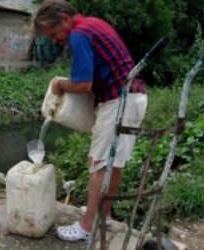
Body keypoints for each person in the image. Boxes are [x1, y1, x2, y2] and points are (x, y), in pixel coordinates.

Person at [33, 0, 147, 241]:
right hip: (133, 97)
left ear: (64, 18)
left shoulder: (78, 34)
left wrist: (59, 84)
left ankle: (86, 227)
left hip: (119, 101)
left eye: (53, 34)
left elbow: (83, 84)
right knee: (112, 163)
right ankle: (103, 215)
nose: (54, 40)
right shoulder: (94, 23)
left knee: (98, 163)